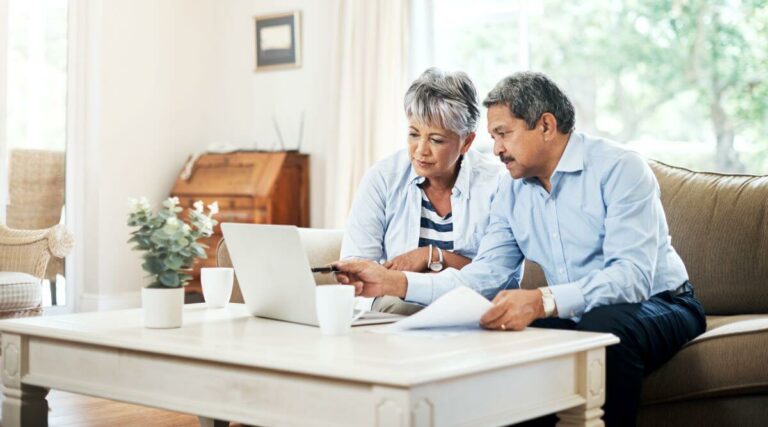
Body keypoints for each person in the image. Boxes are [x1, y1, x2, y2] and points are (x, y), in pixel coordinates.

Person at [335, 72, 706, 426]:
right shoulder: (510, 191)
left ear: (545, 126)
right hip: (581, 311)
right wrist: (393, 283)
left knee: (601, 331)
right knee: (509, 343)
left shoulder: (620, 168)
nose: (495, 149)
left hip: (663, 301)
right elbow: (484, 277)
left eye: (502, 134)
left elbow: (632, 278)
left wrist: (540, 300)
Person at [340, 67, 517, 315]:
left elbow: (496, 276)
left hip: (472, 307)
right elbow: (356, 265)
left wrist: (431, 255)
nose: (420, 150)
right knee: (399, 306)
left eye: (436, 140)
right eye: (413, 134)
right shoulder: (382, 178)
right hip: (398, 307)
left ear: (466, 141)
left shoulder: (497, 184)